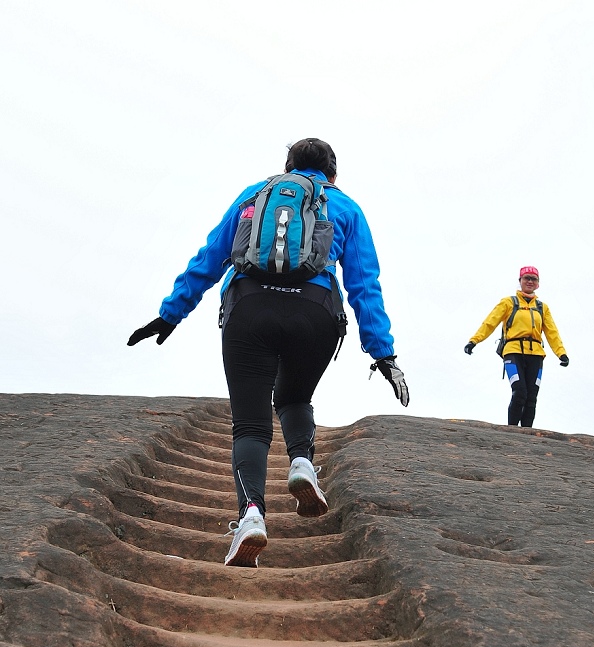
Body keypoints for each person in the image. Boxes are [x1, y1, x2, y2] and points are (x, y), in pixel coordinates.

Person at [128, 138, 408, 567]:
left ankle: (252, 516)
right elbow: (364, 285)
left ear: (287, 166)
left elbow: (209, 259)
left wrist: (170, 315)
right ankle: (300, 463)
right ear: (332, 175)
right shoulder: (346, 207)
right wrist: (383, 354)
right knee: (295, 398)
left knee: (251, 426)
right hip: (315, 313)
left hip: (249, 307)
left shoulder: (254, 195)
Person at [464, 266, 569, 428]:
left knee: (531, 397)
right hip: (512, 353)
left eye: (533, 279)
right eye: (526, 278)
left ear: (538, 284)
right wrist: (474, 341)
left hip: (536, 354)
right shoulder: (508, 302)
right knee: (520, 392)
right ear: (520, 281)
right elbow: (490, 322)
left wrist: (561, 353)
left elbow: (552, 332)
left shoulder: (542, 307)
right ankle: (511, 431)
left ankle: (527, 434)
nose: (529, 281)